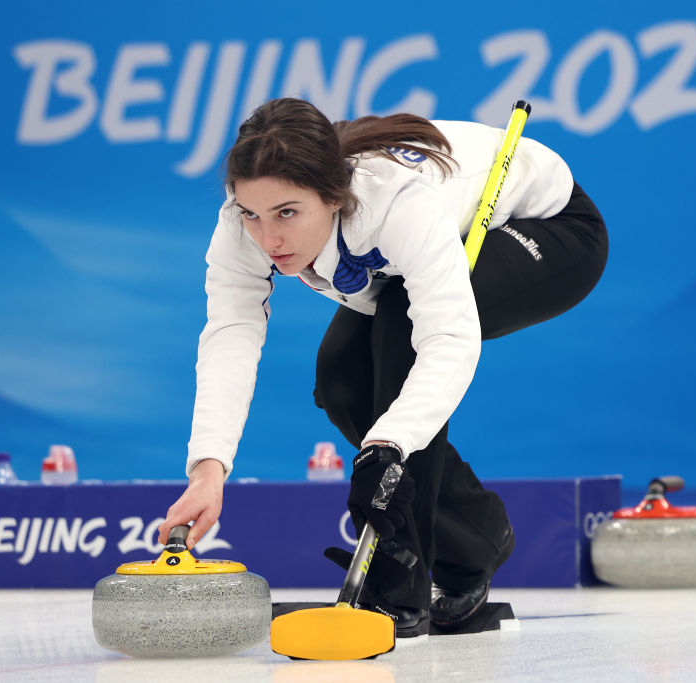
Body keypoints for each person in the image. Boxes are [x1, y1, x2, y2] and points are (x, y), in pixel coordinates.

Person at [158, 97, 608, 637]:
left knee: (402, 329)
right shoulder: (243, 224)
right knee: (341, 382)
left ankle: (401, 581)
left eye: (287, 214)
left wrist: (390, 444)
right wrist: (209, 469)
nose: (268, 237)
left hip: (550, 226)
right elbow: (230, 335)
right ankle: (476, 537)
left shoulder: (396, 204)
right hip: (419, 257)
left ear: (332, 197)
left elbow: (447, 339)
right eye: (251, 213)